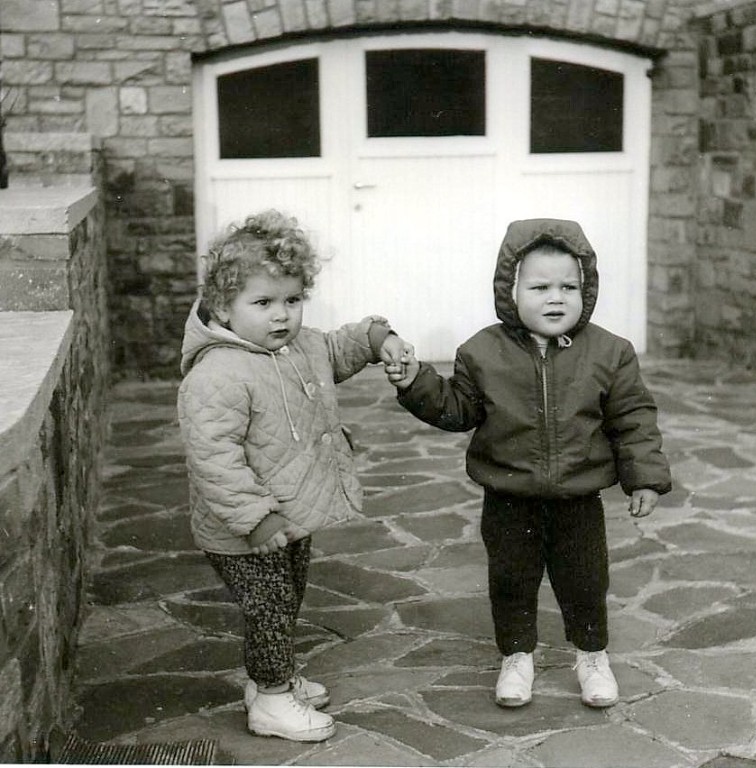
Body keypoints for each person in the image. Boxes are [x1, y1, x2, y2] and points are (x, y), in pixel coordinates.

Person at [386, 218, 671, 709]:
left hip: (578, 500)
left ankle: (592, 656)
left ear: (587, 290)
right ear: (510, 291)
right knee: (511, 582)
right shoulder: (481, 352)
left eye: (569, 287)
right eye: (540, 287)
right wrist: (415, 382)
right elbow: (457, 410)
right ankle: (516, 658)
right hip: (509, 499)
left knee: (585, 582)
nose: (555, 298)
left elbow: (633, 419)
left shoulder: (610, 352)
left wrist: (644, 477)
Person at [177, 210, 412, 742]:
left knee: (288, 597)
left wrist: (380, 338)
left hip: (289, 514)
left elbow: (337, 348)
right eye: (263, 303)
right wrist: (255, 518)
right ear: (223, 307)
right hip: (246, 527)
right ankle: (272, 699)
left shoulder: (297, 346)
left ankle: (273, 679)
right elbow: (213, 459)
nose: (281, 315)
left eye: (292, 300)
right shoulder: (218, 374)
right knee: (270, 606)